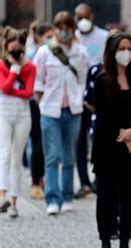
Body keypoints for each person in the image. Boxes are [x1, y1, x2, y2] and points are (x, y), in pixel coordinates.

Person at [92, 32, 131, 248]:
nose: (126, 52)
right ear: (112, 52)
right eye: (121, 49)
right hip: (108, 146)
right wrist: (125, 139)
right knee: (106, 197)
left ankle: (125, 238)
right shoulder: (102, 80)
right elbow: (104, 115)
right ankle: (106, 239)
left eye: (129, 48)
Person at [33, 11, 89, 215]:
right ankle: (52, 198)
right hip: (50, 110)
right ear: (55, 29)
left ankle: (67, 196)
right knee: (52, 156)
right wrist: (42, 105)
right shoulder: (44, 52)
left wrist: (79, 99)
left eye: (67, 27)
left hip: (73, 110)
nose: (63, 31)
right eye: (60, 27)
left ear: (72, 29)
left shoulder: (81, 52)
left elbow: (83, 79)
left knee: (68, 156)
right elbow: (38, 82)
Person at [72, 3, 108, 199]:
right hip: (78, 96)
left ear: (92, 16)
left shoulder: (102, 37)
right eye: (79, 17)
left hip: (97, 94)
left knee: (98, 137)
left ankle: (97, 178)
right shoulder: (73, 38)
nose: (82, 20)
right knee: (80, 140)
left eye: (85, 16)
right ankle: (83, 181)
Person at [0, 26, 36, 218]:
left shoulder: (30, 67)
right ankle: (2, 196)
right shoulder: (1, 65)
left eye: (18, 49)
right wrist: (14, 68)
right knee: (4, 154)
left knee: (17, 158)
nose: (15, 52)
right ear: (6, 47)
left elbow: (28, 92)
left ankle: (14, 201)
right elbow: (4, 87)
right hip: (4, 113)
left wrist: (16, 74)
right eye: (12, 48)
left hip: (23, 115)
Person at [25, 22, 53, 200]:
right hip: (35, 103)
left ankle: (44, 179)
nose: (51, 40)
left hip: (52, 103)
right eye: (47, 37)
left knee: (47, 145)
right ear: (39, 38)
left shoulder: (55, 52)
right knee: (37, 143)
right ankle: (36, 180)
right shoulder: (34, 54)